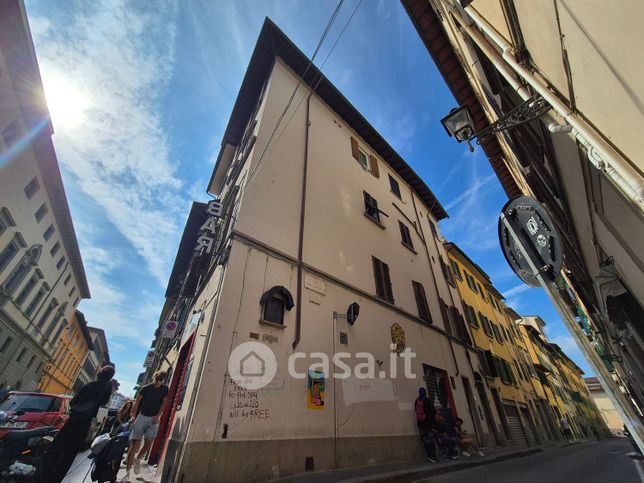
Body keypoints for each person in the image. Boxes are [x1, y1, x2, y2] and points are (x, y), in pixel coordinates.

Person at [42, 365, 115, 483]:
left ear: (100, 373)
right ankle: (56, 478)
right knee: (69, 452)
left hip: (73, 419)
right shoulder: (107, 386)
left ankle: (44, 474)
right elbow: (103, 402)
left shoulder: (89, 385)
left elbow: (74, 401)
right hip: (84, 422)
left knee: (57, 446)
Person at [122, 371, 169, 482]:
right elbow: (137, 402)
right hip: (142, 417)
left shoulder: (165, 389)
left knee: (148, 444)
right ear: (154, 378)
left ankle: (137, 459)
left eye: (160, 380)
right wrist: (133, 416)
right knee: (134, 446)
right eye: (157, 379)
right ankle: (127, 473)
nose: (158, 382)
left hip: (153, 419)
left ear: (163, 380)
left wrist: (158, 415)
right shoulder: (145, 388)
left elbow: (164, 403)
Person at [415, 387, 438, 463]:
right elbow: (433, 412)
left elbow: (416, 411)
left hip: (421, 424)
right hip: (428, 423)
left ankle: (429, 456)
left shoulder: (416, 401)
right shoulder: (427, 400)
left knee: (425, 441)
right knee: (431, 440)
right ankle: (433, 456)